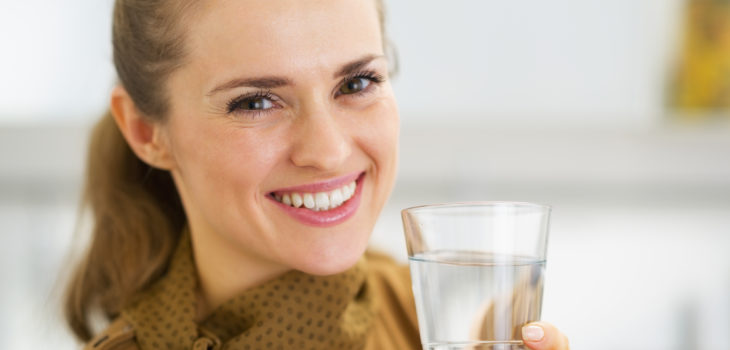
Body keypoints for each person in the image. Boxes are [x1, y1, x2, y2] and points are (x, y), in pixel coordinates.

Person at [64, 0, 571, 349]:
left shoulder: (440, 325)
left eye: (356, 82)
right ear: (146, 132)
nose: (328, 152)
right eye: (255, 101)